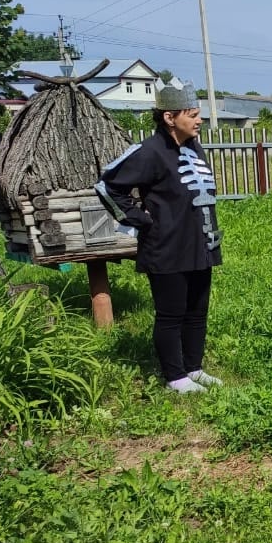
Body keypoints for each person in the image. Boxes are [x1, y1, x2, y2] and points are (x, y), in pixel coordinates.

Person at [96, 86, 224, 394]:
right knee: (171, 314)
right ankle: (174, 375)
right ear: (169, 117)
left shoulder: (194, 147)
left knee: (197, 311)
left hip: (201, 244)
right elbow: (107, 185)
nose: (199, 121)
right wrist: (139, 219)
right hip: (166, 247)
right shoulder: (150, 151)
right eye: (192, 115)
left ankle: (193, 368)